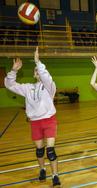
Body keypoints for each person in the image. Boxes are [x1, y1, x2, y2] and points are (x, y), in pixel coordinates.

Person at [4, 47, 61, 187]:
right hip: (35, 122)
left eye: (39, 70)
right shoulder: (27, 88)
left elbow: (46, 77)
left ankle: (55, 175)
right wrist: (14, 70)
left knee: (51, 151)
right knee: (40, 150)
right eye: (36, 71)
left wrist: (38, 62)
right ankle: (42, 169)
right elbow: (9, 84)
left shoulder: (49, 86)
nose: (38, 72)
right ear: (34, 75)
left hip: (49, 120)